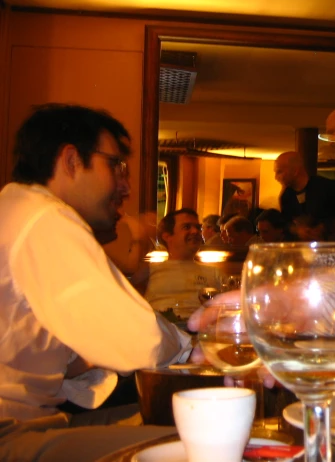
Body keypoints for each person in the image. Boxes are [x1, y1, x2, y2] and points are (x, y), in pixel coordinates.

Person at [0, 104, 191, 461]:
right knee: (202, 444)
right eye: (115, 165)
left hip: (39, 418)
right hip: (11, 432)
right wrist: (194, 348)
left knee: (183, 426)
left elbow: (61, 359)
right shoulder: (43, 217)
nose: (125, 185)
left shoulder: (16, 207)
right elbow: (141, 340)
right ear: (71, 160)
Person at [144, 208, 222, 319]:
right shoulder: (150, 271)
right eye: (187, 227)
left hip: (199, 331)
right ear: (167, 236)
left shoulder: (214, 273)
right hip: (161, 330)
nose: (195, 231)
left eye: (198, 228)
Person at [274, 151, 335, 240]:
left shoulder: (329, 187)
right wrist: (298, 230)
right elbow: (286, 224)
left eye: (280, 171)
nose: (276, 177)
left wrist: (325, 227)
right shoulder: (286, 197)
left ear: (295, 171)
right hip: (306, 251)